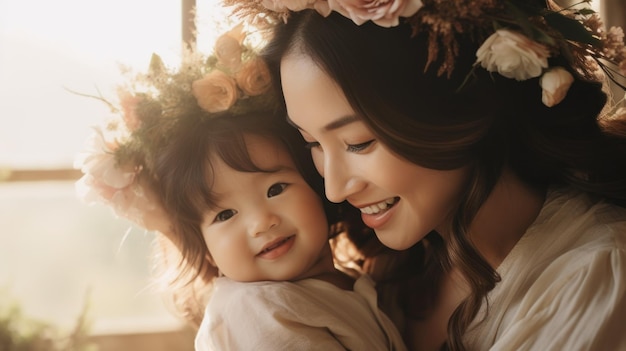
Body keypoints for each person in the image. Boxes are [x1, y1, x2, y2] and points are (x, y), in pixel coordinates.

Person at [223, 0, 626, 350]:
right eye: (311, 143)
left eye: (358, 142)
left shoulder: (594, 278)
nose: (334, 188)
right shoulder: (396, 268)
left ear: (457, 108)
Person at [74, 24, 407, 351]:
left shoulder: (344, 281)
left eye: (275, 189)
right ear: (203, 247)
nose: (262, 222)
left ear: (315, 185)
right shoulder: (255, 313)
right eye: (225, 214)